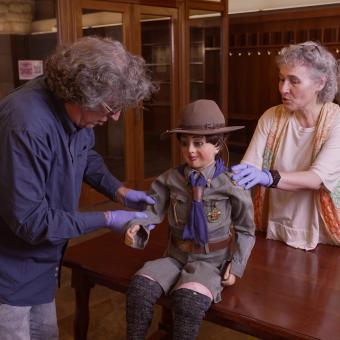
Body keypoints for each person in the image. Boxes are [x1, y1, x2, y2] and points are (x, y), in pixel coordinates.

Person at [0, 36, 157, 339]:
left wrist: (120, 192)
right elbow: (31, 222)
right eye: (111, 106)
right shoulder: (25, 124)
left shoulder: (77, 116)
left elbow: (84, 156)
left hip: (42, 266)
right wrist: (106, 219)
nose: (115, 116)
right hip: (8, 273)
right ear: (82, 94)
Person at [124, 99, 256, 340]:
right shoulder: (170, 180)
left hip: (211, 262)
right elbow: (153, 210)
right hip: (175, 256)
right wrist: (139, 225)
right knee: (140, 288)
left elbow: (246, 231)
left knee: (188, 302)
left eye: (198, 143)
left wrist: (235, 267)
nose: (190, 150)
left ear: (218, 144)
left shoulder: (232, 184)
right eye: (185, 143)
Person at [231, 41, 340, 250]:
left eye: (294, 81)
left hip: (323, 237)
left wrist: (268, 177)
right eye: (281, 79)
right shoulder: (272, 116)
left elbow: (316, 179)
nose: (284, 89)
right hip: (273, 228)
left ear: (320, 83)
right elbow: (249, 166)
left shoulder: (336, 121)